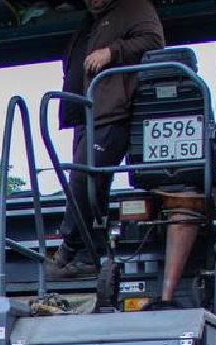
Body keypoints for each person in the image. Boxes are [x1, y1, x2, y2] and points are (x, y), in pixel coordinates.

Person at [49, 0, 165, 279]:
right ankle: (91, 256)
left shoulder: (135, 7)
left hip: (114, 112)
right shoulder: (90, 19)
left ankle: (67, 247)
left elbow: (153, 40)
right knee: (94, 185)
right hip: (85, 113)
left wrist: (112, 52)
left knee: (82, 177)